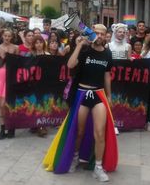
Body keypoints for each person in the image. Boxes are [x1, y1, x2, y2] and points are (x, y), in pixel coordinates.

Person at [43, 24, 117, 182]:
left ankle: (98, 166)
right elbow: (70, 65)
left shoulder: (107, 54)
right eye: (95, 32)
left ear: (105, 36)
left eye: (101, 34)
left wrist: (109, 96)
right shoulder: (84, 50)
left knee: (100, 132)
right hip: (82, 93)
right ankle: (75, 158)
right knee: (79, 131)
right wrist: (79, 45)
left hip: (98, 94)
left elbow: (107, 76)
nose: (98, 36)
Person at [0, 29, 19, 140]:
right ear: (2, 36)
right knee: (0, 103)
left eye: (9, 36)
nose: (7, 38)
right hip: (0, 75)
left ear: (12, 37)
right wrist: (2, 56)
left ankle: (11, 126)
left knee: (7, 103)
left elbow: (17, 65)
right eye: (5, 36)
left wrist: (6, 56)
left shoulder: (16, 48)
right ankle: (2, 127)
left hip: (11, 77)